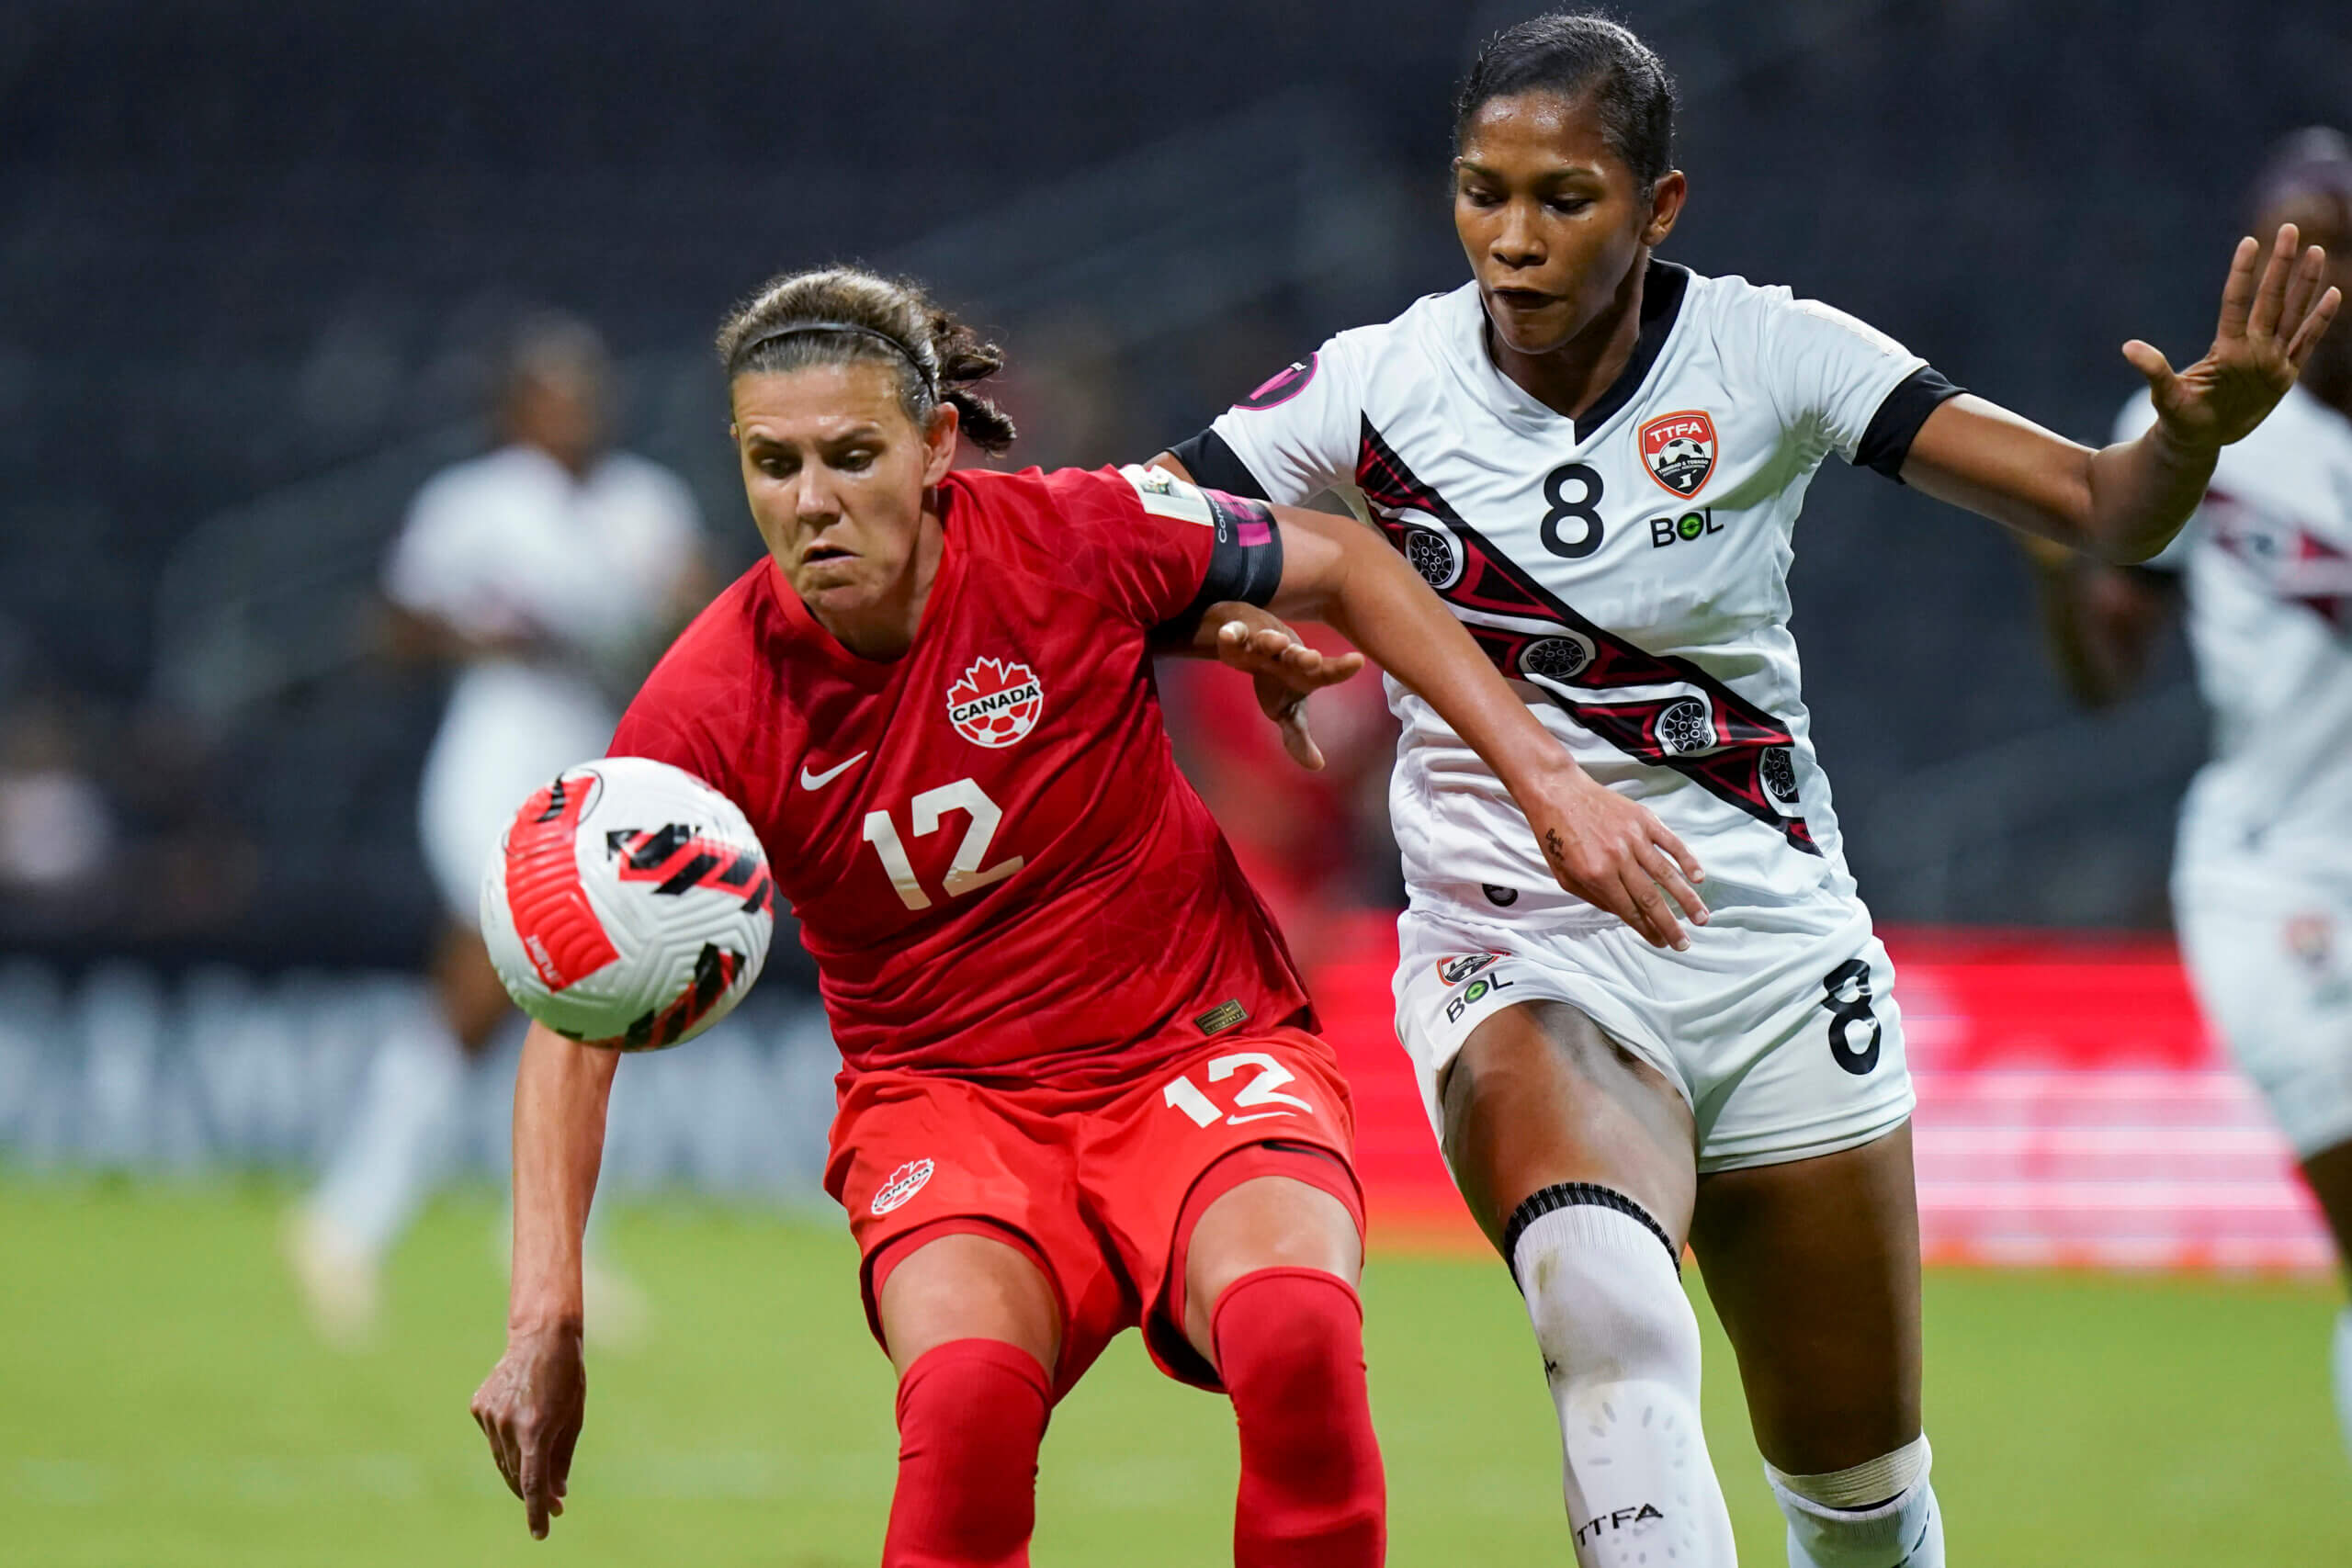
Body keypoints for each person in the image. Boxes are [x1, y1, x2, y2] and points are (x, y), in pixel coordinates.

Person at [1149, 14, 2341, 1565]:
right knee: (1609, 1312)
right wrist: (1233, 605)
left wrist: (2186, 447)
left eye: (1563, 199)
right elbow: (1122, 538)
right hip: (1522, 947)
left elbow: (2098, 505)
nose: (1512, 239)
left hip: (1774, 950)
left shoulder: (1775, 353)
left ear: (1659, 207)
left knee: (1861, 1504)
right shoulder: (1374, 389)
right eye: (1481, 192)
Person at [464, 265, 1632, 1565]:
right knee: (962, 1404)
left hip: (1198, 1041)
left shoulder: (1078, 533)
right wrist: (545, 1308)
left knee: (1295, 1326)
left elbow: (1348, 560)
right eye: (771, 462)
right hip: (946, 1099)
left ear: (936, 444)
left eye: (853, 454)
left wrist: (1548, 775)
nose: (812, 501)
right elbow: (577, 1006)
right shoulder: (708, 702)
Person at [2026, 127, 2352, 1466]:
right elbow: (2107, 671)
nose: (2305, 271)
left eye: (2332, 247)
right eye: (2284, 243)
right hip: (2280, 887)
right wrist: (2056, 567)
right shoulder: (2206, 430)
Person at [288, 314, 707, 1345]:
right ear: (513, 405)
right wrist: (477, 631)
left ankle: (538, 1250)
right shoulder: (471, 505)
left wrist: (657, 614)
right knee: (487, 985)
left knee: (586, 1011)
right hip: (491, 764)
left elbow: (699, 610)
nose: (573, 409)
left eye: (584, 389)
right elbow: (388, 626)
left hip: (597, 778)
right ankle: (352, 1223)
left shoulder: (642, 503)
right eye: (551, 391)